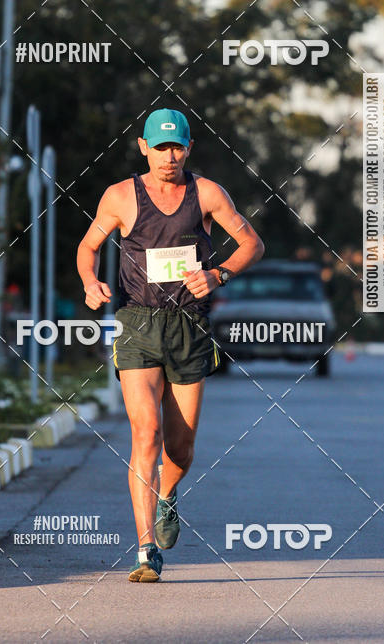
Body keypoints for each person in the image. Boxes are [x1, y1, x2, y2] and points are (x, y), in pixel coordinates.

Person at [76, 108, 264, 582]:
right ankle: (145, 552)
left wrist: (218, 273)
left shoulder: (207, 193)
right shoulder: (120, 196)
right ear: (143, 147)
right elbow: (88, 246)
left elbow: (252, 244)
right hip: (137, 324)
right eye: (160, 147)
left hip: (190, 327)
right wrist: (89, 282)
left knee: (180, 449)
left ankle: (167, 495)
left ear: (188, 148)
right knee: (146, 434)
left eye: (177, 146)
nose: (169, 156)